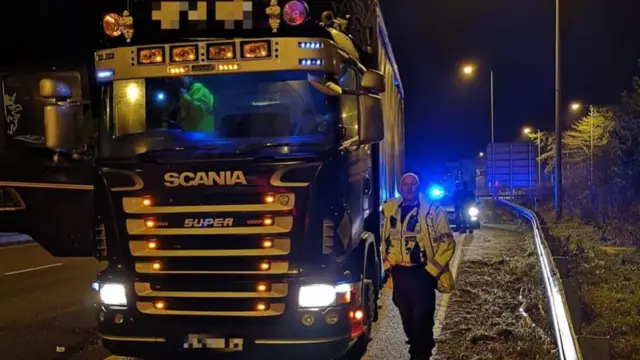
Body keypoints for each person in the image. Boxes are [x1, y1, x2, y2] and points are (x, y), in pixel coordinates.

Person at [381, 172, 456, 360]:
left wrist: (431, 272)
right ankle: (416, 342)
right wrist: (388, 265)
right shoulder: (391, 210)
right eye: (405, 184)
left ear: (419, 187)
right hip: (400, 273)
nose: (409, 187)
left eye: (413, 184)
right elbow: (386, 239)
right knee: (406, 313)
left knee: (422, 314)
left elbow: (447, 243)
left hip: (422, 273)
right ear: (400, 188)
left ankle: (421, 352)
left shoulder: (433, 210)